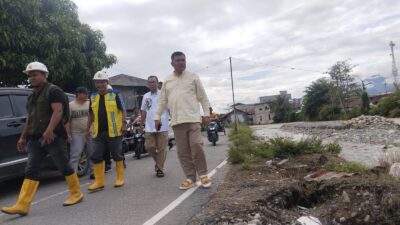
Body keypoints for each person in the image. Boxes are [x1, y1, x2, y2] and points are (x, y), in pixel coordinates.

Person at [1, 62, 83, 216]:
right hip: (35, 138)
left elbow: (58, 112)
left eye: (35, 74)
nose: (32, 77)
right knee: (31, 168)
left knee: (63, 166)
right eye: (30, 75)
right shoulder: (31, 95)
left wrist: (50, 130)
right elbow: (29, 118)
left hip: (54, 137)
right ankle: (23, 205)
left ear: (45, 75)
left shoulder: (54, 91)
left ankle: (76, 193)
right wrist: (22, 137)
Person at [155, 51, 212, 190]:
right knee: (183, 151)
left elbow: (203, 97)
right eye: (178, 60)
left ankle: (203, 175)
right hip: (176, 121)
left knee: (197, 145)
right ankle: (190, 178)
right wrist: (157, 117)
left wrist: (206, 114)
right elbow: (162, 101)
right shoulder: (167, 80)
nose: (181, 62)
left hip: (193, 118)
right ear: (172, 63)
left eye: (183, 60)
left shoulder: (193, 77)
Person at [86, 71, 127, 192]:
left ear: (107, 83)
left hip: (114, 131)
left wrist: (124, 124)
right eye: (97, 82)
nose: (99, 85)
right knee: (95, 155)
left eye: (102, 82)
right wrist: (87, 128)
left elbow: (123, 110)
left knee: (116, 154)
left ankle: (120, 178)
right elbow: (91, 114)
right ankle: (99, 182)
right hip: (98, 132)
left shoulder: (115, 94)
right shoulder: (93, 96)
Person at [140, 75, 169, 177]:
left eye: (153, 82)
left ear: (157, 83)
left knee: (162, 148)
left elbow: (170, 108)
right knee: (149, 147)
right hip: (149, 126)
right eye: (149, 82)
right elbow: (143, 111)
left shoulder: (164, 94)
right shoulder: (145, 96)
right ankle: (159, 163)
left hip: (163, 125)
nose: (151, 84)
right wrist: (141, 124)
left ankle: (160, 169)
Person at [67, 87, 90, 175]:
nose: (87, 95)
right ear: (79, 94)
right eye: (85, 93)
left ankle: (93, 173)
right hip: (76, 133)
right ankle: (73, 175)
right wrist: (68, 134)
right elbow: (67, 121)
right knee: (75, 155)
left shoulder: (90, 103)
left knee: (92, 153)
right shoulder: (71, 105)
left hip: (90, 132)